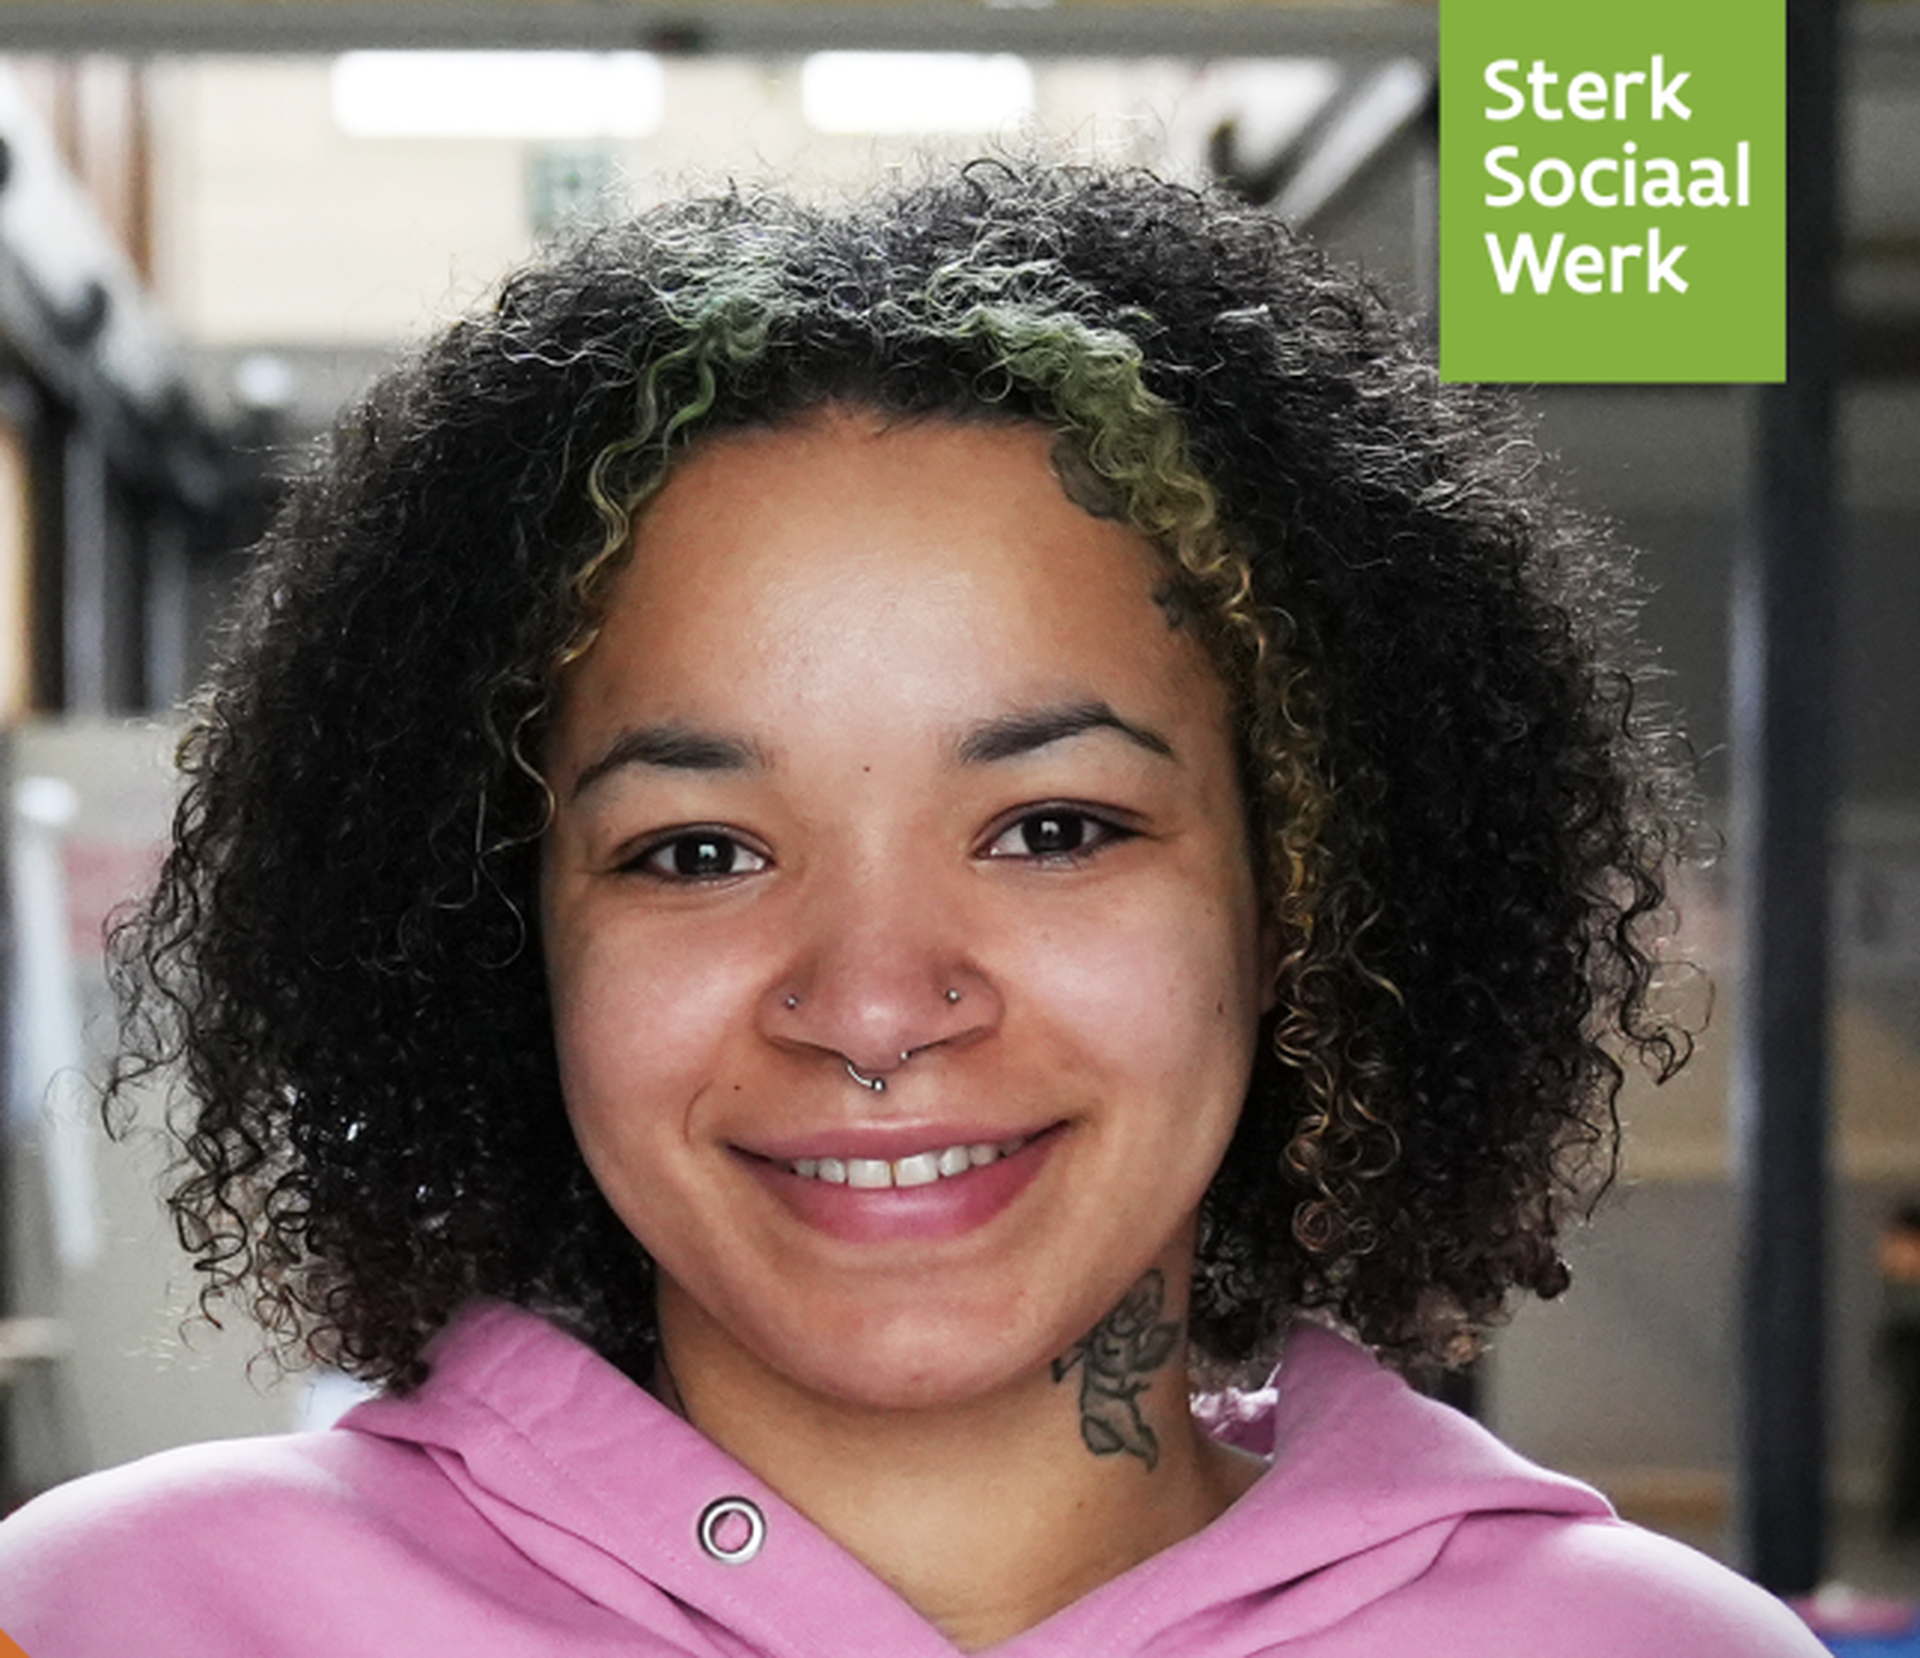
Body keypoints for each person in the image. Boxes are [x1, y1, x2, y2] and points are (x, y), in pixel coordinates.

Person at [0, 161, 1824, 1656]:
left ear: (1296, 896)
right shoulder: (124, 1617)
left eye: (1050, 825)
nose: (875, 1003)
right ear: (508, 937)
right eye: (698, 848)